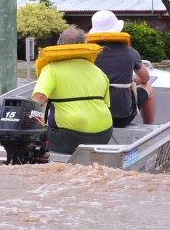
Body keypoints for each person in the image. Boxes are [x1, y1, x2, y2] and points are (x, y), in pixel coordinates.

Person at [31, 26, 113, 154]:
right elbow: (106, 105)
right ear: (84, 45)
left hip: (69, 138)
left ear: (58, 45)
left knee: (33, 134)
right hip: (104, 135)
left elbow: (37, 102)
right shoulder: (99, 72)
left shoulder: (51, 69)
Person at [87, 10, 156, 127]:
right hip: (122, 118)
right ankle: (149, 128)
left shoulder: (87, 54)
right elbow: (145, 78)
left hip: (93, 117)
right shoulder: (130, 52)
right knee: (148, 87)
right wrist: (131, 81)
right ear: (118, 29)